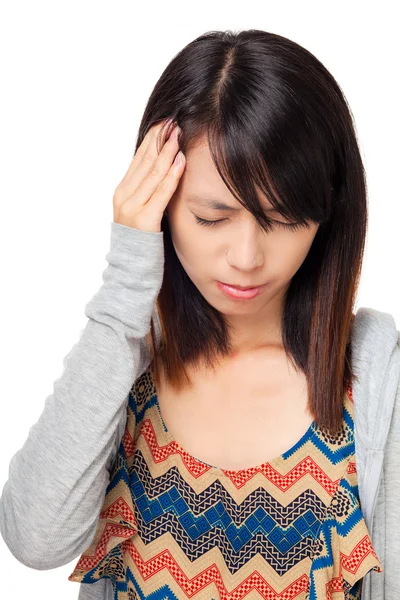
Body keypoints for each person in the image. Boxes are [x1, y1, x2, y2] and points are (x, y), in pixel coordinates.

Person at [1, 29, 399, 600]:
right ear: (158, 200)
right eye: (213, 218)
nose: (246, 259)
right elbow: (33, 540)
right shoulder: (131, 360)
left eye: (283, 220)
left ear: (329, 212)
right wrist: (124, 293)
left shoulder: (374, 381)